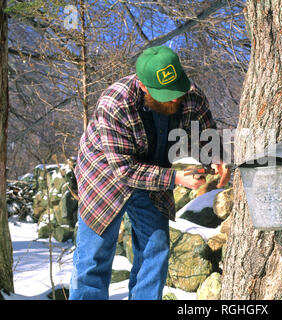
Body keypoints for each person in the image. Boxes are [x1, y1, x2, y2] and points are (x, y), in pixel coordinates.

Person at [69, 45, 230, 300]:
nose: (175, 99)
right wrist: (177, 178)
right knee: (94, 256)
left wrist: (217, 155)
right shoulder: (115, 103)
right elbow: (124, 170)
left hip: (152, 175)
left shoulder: (190, 95)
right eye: (167, 95)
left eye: (177, 91)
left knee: (155, 248)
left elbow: (206, 135)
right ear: (143, 86)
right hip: (105, 176)